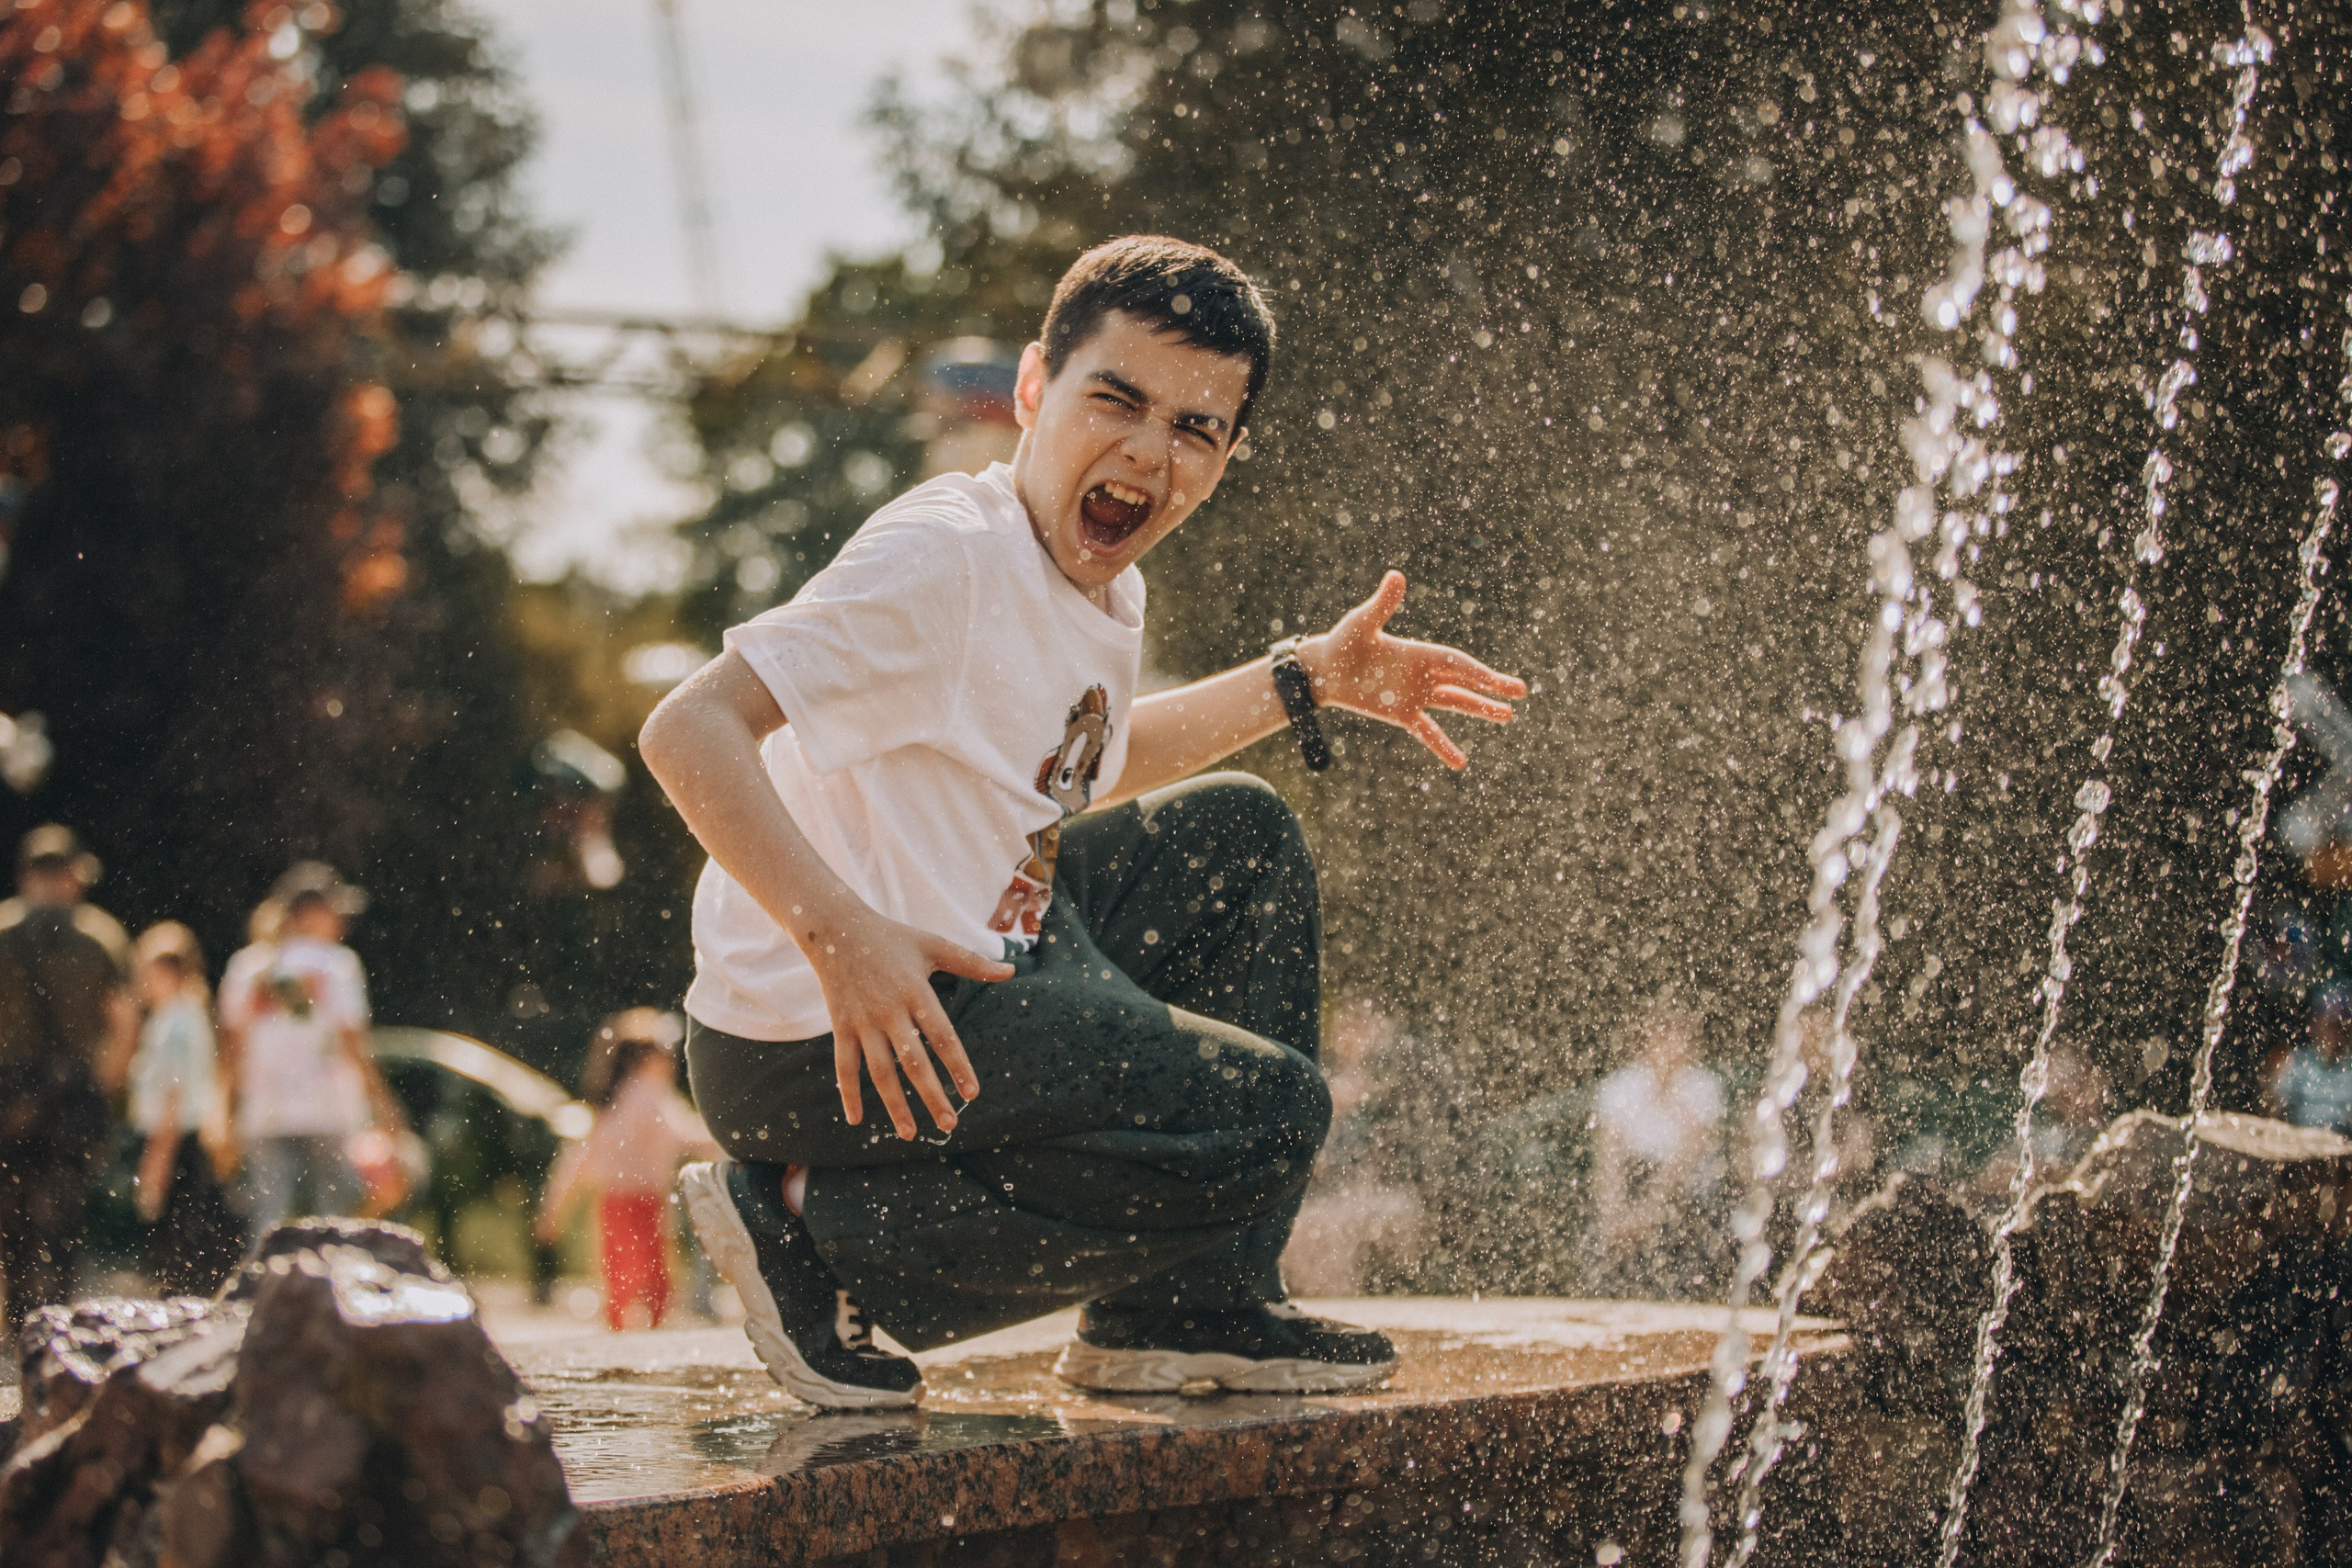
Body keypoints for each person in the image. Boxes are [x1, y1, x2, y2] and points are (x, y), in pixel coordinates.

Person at [642, 235, 1525, 1409]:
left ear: (1224, 454)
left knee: (1238, 839)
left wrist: (1301, 678)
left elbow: (1082, 761)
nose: (1149, 452)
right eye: (1117, 400)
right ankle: (813, 1235)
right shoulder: (945, 556)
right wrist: (840, 936)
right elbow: (689, 730)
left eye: (1195, 428)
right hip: (822, 1031)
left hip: (977, 956)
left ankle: (1184, 1311)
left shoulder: (1098, 582)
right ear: (1029, 391)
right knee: (1266, 1114)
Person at [0, 825, 132, 1326]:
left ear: (23, 876)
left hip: (7, 1090)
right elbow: (123, 1024)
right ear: (75, 876)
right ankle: (53, 1326)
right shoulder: (100, 935)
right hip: (74, 1091)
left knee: (10, 1213)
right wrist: (102, 1088)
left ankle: (15, 1322)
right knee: (62, 1215)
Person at [217, 862, 377, 1235]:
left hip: (265, 1110)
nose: (342, 922)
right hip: (330, 1107)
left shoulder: (248, 968)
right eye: (335, 912)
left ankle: (264, 1289)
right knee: (334, 1220)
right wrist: (384, 1105)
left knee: (268, 1218)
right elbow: (352, 1044)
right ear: (311, 913)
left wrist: (224, 1114)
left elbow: (231, 1052)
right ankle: (331, 1289)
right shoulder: (338, 966)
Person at [537, 1009, 721, 1330]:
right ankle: (651, 1341)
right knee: (657, 1282)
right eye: (666, 1051)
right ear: (644, 1058)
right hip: (645, 1202)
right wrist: (728, 1141)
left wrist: (552, 1212)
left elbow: (577, 1161)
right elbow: (686, 1136)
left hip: (611, 1202)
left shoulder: (607, 1102)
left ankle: (619, 1340)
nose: (673, 1060)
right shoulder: (651, 1094)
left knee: (618, 1281)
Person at [126, 922, 244, 1295]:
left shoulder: (176, 1022)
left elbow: (172, 1099)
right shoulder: (181, 1015)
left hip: (178, 1145)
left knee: (177, 1251)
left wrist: (156, 1162)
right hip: (184, 1143)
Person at [1587, 1001, 1728, 1300]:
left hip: (1685, 1199)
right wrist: (1614, 1216)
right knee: (1600, 1241)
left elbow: (1685, 1161)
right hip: (1635, 1181)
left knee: (1681, 1236)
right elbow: (1609, 1161)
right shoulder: (1622, 1087)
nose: (1668, 1047)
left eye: (1676, 1037)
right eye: (1661, 1036)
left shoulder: (1702, 1088)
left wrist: (1649, 1213)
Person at [2267, 982, 2352, 1135]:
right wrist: (2273, 1078)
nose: (2334, 1033)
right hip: (2297, 1144)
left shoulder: (2349, 1070)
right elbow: (2273, 1110)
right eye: (2329, 1025)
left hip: (2342, 1149)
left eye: (2341, 1026)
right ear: (2317, 1025)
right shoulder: (2297, 1062)